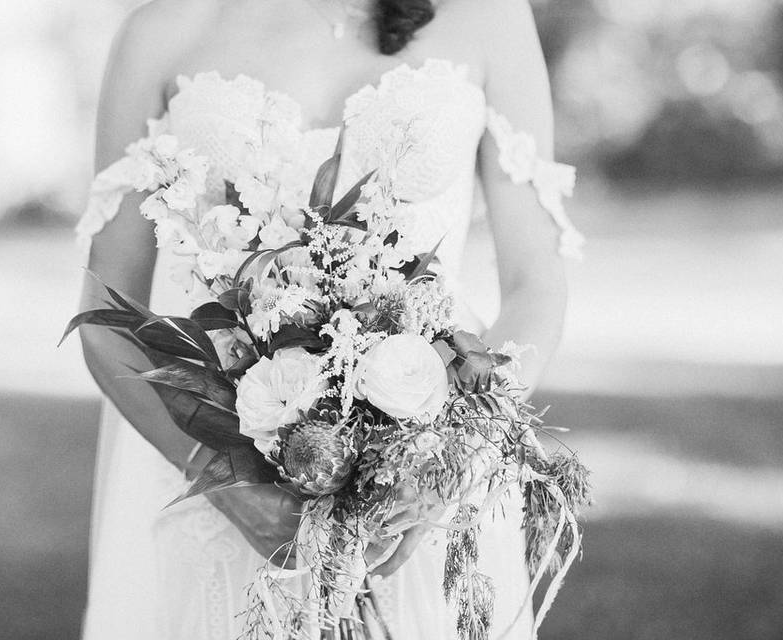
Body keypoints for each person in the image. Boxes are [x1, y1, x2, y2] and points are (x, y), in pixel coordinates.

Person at [75, 0, 573, 637]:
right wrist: (224, 482)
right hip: (217, 491)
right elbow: (103, 320)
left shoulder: (487, 17)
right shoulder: (163, 28)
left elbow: (537, 283)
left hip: (424, 493)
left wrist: (447, 459)